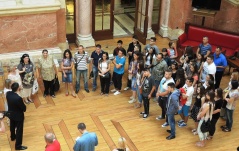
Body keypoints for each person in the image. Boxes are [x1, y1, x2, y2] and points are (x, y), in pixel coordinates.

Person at [6, 82, 27, 150]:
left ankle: (12, 137)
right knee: (19, 131)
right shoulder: (18, 98)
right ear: (18, 88)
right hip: (18, 116)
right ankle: (18, 146)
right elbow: (23, 108)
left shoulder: (8, 94)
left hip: (11, 114)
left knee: (12, 126)